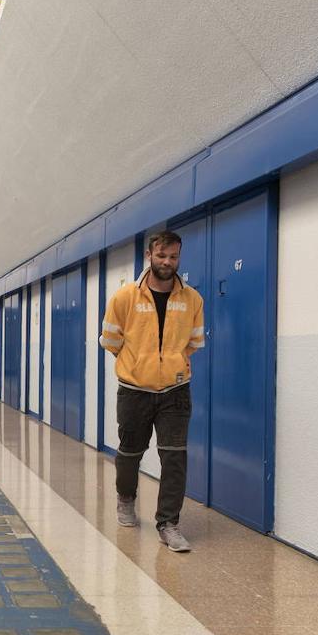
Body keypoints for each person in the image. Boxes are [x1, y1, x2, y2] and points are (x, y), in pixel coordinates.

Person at [100, 230, 205, 553]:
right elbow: (111, 341)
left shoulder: (192, 299)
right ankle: (126, 498)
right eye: (161, 256)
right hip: (134, 390)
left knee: (174, 456)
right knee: (130, 452)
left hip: (176, 390)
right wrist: (138, 365)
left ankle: (168, 524)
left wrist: (170, 364)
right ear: (149, 256)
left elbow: (194, 342)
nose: (167, 262)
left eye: (173, 257)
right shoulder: (125, 297)